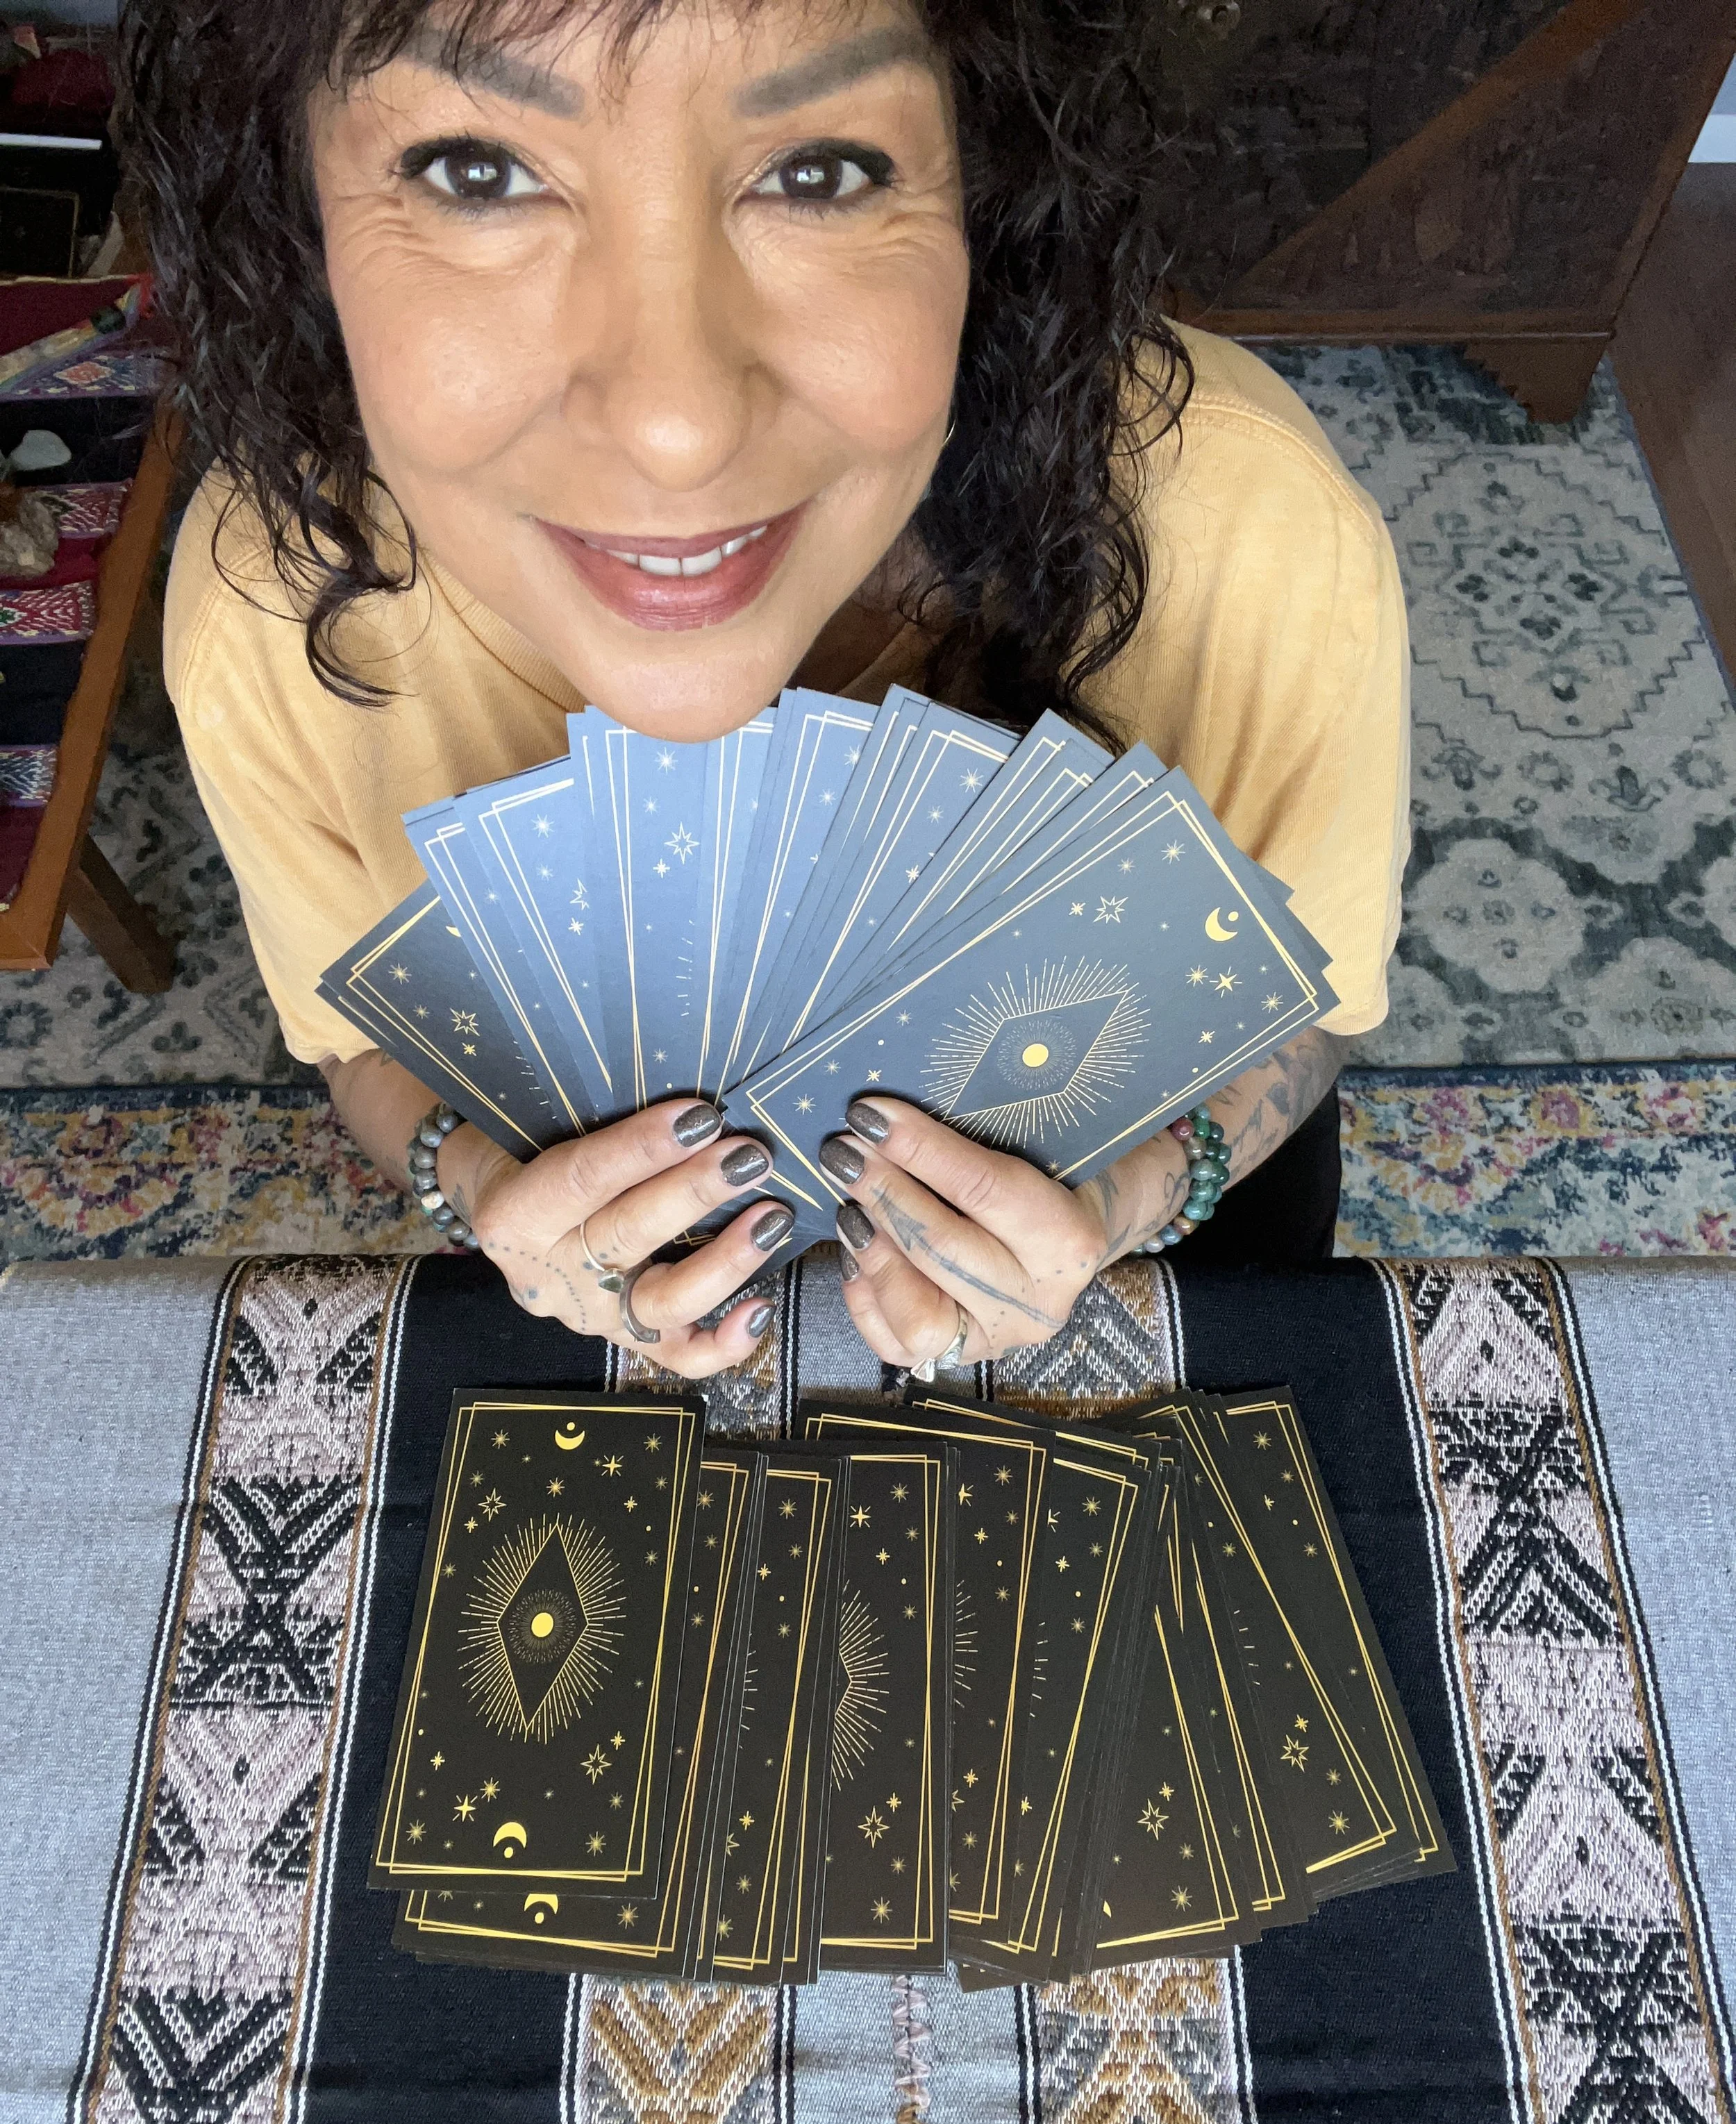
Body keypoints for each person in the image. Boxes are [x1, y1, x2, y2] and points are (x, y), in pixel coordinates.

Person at [132, 0, 1408, 1381]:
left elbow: (1309, 1009)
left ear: (983, 177)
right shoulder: (278, 606)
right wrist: (475, 1190)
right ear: (290, 206)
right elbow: (355, 1044)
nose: (676, 427)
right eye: (478, 172)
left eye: (817, 171)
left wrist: (1136, 1197)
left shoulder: (1248, 529)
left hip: (1167, 1234)